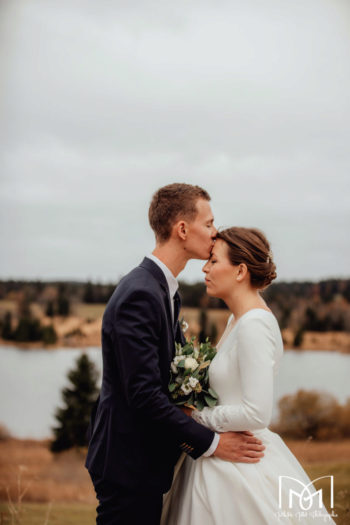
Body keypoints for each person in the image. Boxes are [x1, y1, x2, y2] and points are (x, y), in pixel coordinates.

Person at [85, 185, 265, 525]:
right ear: (182, 229)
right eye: (209, 223)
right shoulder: (140, 293)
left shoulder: (165, 291)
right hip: (127, 463)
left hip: (144, 461)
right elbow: (143, 396)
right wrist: (213, 443)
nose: (215, 233)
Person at [163, 227, 336, 525]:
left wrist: (194, 418)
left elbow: (257, 413)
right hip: (220, 455)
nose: (205, 268)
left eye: (214, 261)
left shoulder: (254, 325)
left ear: (240, 270)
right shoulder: (237, 319)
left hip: (240, 463)